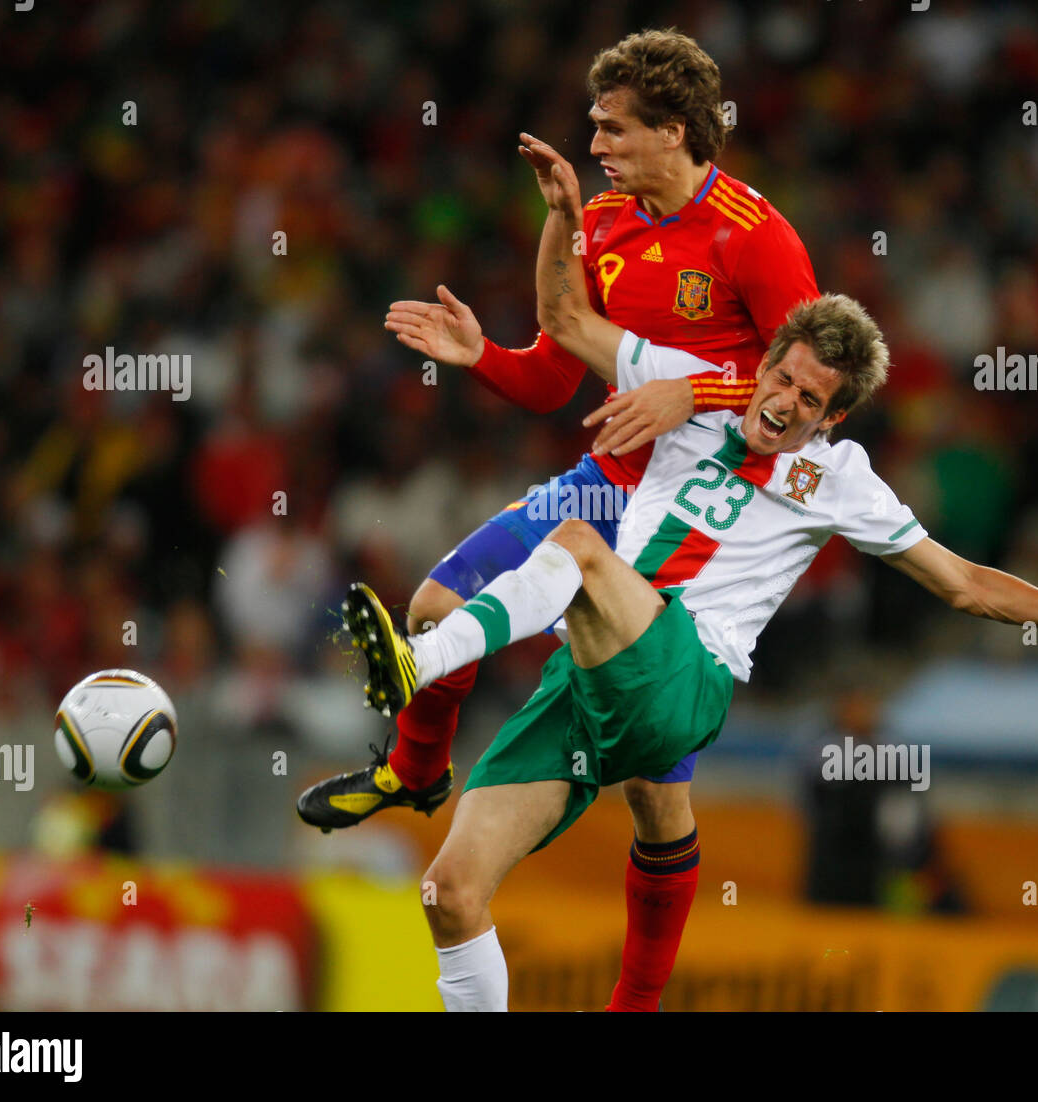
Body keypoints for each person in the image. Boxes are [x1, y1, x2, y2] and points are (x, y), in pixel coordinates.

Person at [329, 138, 1038, 1011]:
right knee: (448, 894)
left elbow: (961, 581)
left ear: (835, 414)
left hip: (687, 676)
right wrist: (559, 218)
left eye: (809, 400)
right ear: (768, 355)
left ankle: (417, 663)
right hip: (591, 682)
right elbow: (568, 318)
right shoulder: (692, 388)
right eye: (781, 375)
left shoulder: (842, 480)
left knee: (581, 549)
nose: (781, 404)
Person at [298, 28, 818, 1012]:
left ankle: (635, 1001)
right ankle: (415, 770)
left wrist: (689, 393)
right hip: (599, 480)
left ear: (674, 130)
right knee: (434, 600)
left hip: (698, 519)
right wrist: (488, 344)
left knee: (657, 798)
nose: (596, 140)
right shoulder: (609, 220)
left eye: (613, 127)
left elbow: (819, 392)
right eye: (594, 123)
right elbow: (549, 376)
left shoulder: (756, 237)